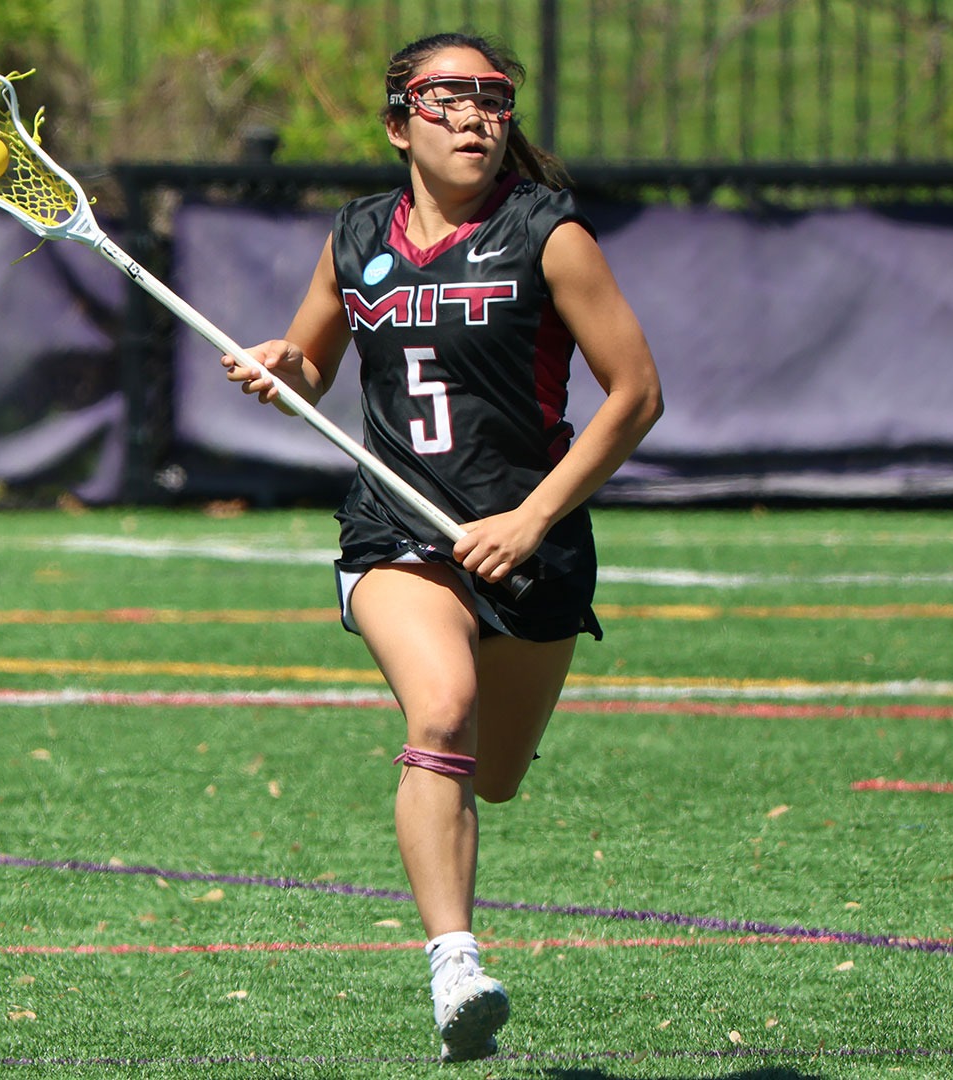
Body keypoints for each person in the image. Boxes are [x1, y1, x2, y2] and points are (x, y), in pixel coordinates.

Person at [222, 31, 662, 1063]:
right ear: (397, 122)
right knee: (443, 709)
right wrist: (287, 361)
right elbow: (312, 368)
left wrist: (533, 518)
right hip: (396, 528)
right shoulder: (355, 236)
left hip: (530, 541)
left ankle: (459, 882)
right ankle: (454, 963)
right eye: (448, 97)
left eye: (494, 99)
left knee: (494, 774)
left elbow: (636, 394)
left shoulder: (550, 236)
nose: (476, 116)